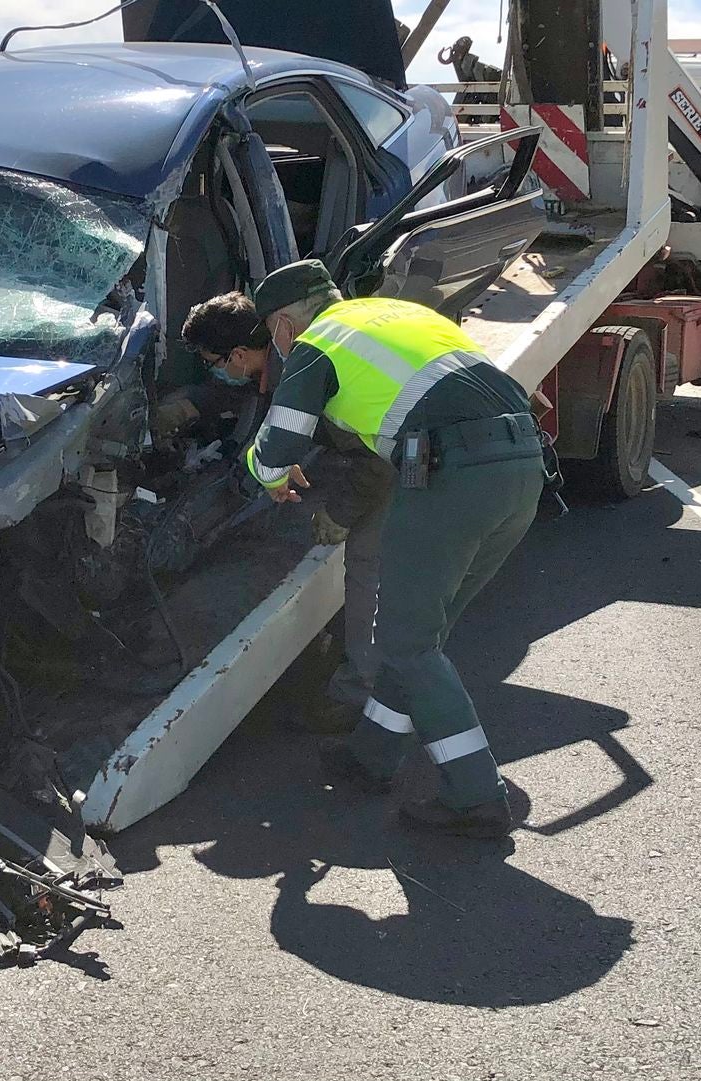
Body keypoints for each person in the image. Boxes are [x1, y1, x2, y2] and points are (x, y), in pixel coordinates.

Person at [243, 260, 545, 839]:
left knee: (406, 644)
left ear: (282, 324)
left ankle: (475, 797)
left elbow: (279, 444)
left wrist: (264, 472)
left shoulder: (316, 343)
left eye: (273, 334)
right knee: (418, 636)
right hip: (522, 467)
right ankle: (370, 758)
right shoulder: (404, 314)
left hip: (451, 477)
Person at [179, 290, 394, 732]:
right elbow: (252, 398)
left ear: (238, 353)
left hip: (405, 460)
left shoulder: (305, 370)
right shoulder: (283, 357)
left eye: (214, 362)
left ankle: (361, 699)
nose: (217, 372)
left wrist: (341, 512)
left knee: (366, 568)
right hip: (408, 440)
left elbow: (376, 464)